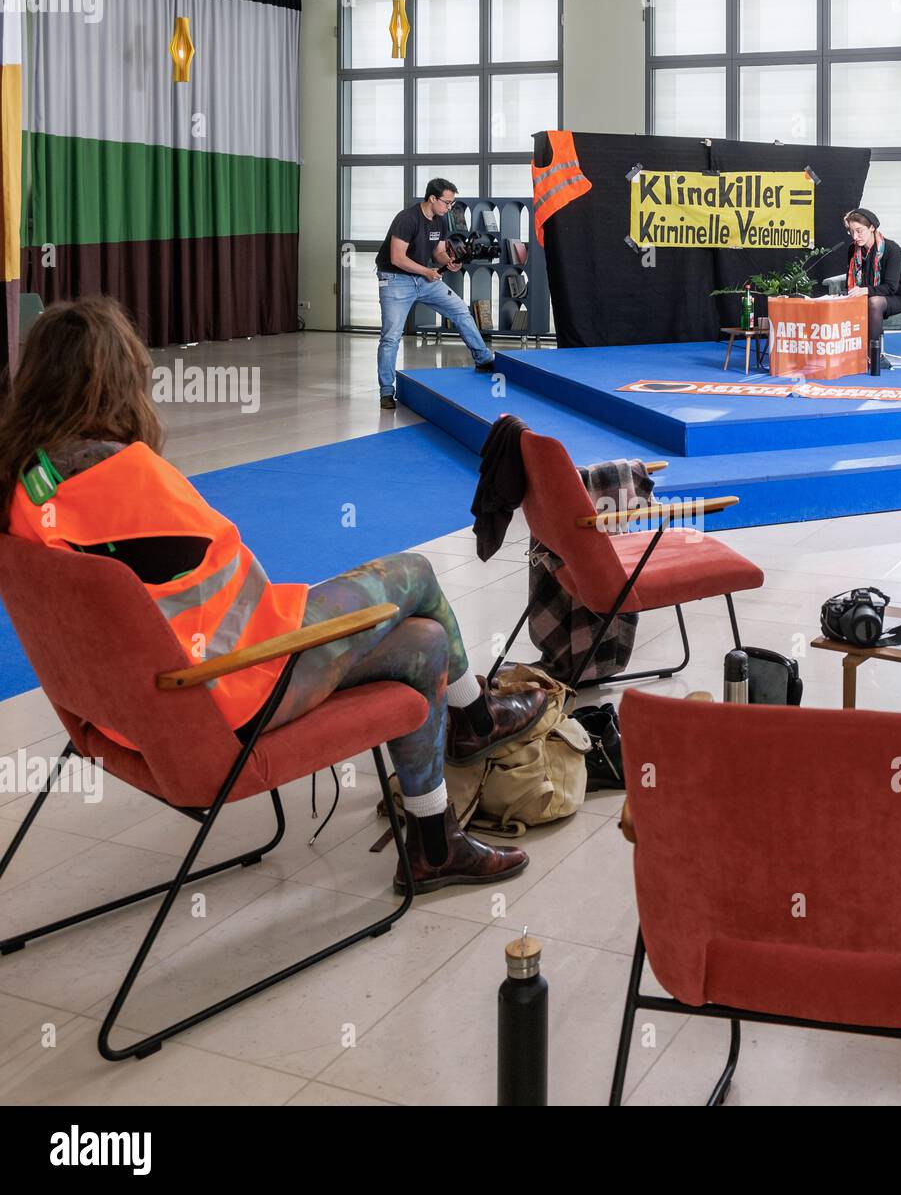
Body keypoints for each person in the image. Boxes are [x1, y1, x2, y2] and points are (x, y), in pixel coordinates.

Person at [0, 296, 544, 895]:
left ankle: (434, 845)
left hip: (126, 712)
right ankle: (476, 718)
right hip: (233, 690)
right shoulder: (128, 477)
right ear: (117, 383)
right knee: (413, 572)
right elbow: (239, 592)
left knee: (425, 642)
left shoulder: (24, 488)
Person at [375, 177, 495, 409]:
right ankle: (387, 391)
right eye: (447, 203)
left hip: (424, 278)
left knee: (461, 311)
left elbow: (439, 252)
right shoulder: (406, 219)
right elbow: (396, 258)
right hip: (394, 280)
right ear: (432, 198)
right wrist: (427, 272)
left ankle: (483, 360)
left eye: (452, 203)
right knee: (391, 336)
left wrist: (449, 261)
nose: (450, 207)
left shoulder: (440, 221)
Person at [843, 208, 901, 365]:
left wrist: (864, 291)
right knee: (847, 301)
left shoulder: (892, 249)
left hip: (895, 298)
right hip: (866, 296)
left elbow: (891, 287)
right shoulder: (853, 249)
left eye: (859, 231)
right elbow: (850, 279)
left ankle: (873, 357)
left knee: (874, 302)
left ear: (872, 227)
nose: (855, 237)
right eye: (851, 232)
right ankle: (849, 354)